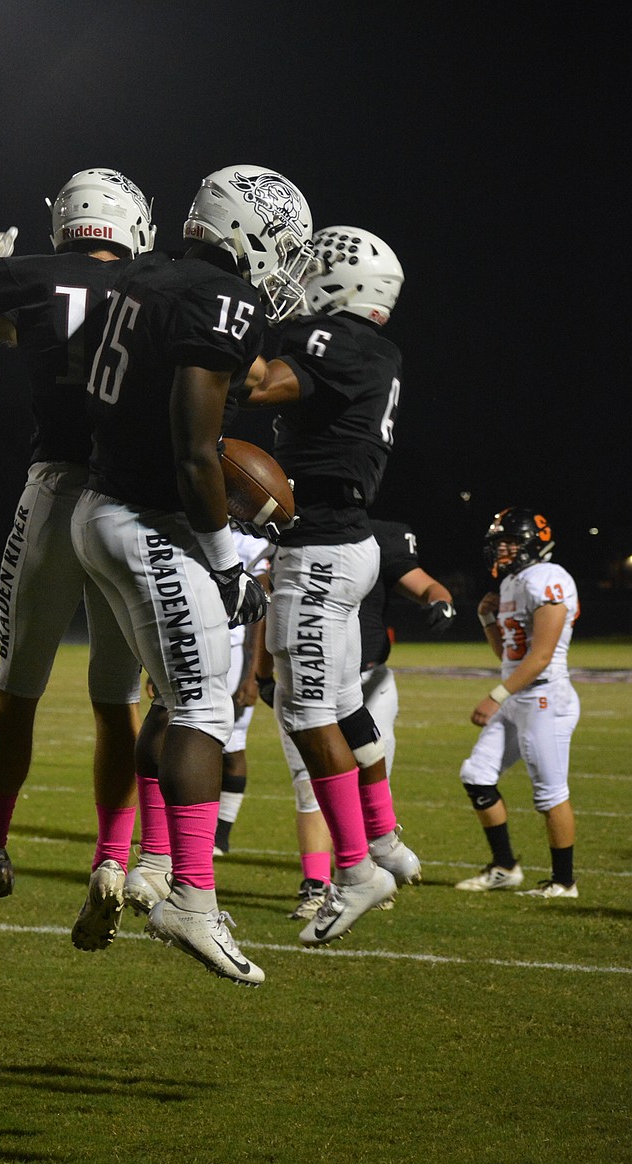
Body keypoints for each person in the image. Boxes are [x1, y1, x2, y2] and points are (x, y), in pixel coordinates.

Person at [71, 165, 316, 986]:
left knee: (182, 698)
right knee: (206, 705)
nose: (280, 263)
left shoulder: (142, 273)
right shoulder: (223, 298)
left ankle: (151, 865)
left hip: (105, 504)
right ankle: (191, 896)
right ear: (245, 232)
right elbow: (191, 448)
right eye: (279, 244)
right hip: (147, 518)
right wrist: (227, 560)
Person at [0, 169, 154, 946]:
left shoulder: (27, 279)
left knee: (16, 688)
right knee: (117, 700)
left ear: (65, 226)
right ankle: (112, 860)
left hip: (55, 493)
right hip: (130, 499)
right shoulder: (155, 283)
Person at [242, 225, 413, 946]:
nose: (297, 277)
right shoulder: (375, 347)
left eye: (312, 269)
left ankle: (353, 871)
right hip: (347, 539)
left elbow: (262, 384)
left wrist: (218, 333)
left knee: (305, 711)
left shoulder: (332, 340)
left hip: (319, 548)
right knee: (341, 704)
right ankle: (383, 838)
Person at [260, 519, 455, 918]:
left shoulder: (374, 538)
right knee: (309, 785)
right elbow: (272, 609)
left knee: (370, 777)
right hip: (306, 677)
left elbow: (424, 584)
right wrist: (263, 674)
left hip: (367, 679)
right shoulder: (289, 538)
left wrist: (440, 600)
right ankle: (316, 886)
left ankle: (366, 872)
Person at [455, 507, 581, 897]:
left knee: (549, 792)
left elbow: (540, 656)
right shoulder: (513, 583)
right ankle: (505, 867)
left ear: (535, 542)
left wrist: (496, 696)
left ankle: (564, 882)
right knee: (477, 774)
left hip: (544, 695)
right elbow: (509, 655)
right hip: (519, 693)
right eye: (499, 544)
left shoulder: (549, 578)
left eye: (510, 542)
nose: (503, 550)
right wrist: (486, 621)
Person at [212, 527, 273, 858]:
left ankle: (220, 835)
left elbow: (261, 607)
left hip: (235, 652)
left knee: (231, 745)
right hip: (195, 645)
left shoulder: (253, 544)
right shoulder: (193, 527)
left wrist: (252, 675)